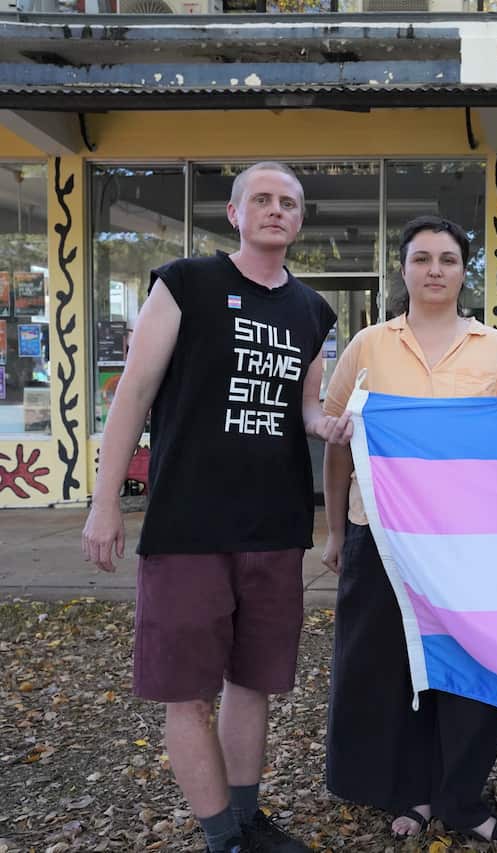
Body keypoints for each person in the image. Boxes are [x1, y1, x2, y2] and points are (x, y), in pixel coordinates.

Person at [81, 161, 348, 853]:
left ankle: (248, 816)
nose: (275, 210)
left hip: (273, 524)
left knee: (252, 682)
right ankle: (221, 834)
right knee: (187, 692)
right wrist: (104, 502)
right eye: (260, 199)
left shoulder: (313, 311)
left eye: (287, 202)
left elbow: (307, 408)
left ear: (299, 219)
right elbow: (132, 395)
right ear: (234, 213)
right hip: (187, 524)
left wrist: (329, 426)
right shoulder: (184, 283)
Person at [321, 215, 497, 844]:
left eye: (447, 259)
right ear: (404, 270)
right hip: (380, 538)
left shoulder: (495, 349)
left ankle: (461, 795)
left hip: (472, 546)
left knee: (472, 671)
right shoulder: (368, 346)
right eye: (421, 259)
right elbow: (338, 442)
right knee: (389, 671)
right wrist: (335, 532)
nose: (434, 270)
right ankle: (406, 791)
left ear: (464, 272)